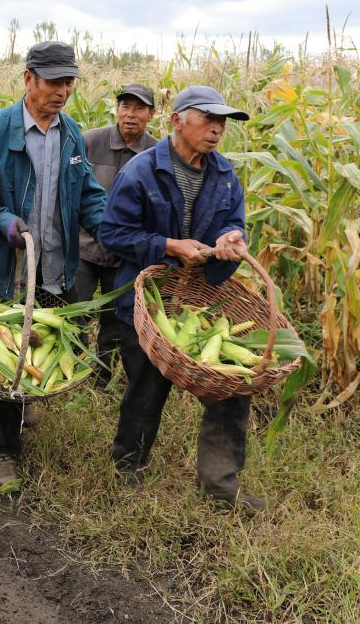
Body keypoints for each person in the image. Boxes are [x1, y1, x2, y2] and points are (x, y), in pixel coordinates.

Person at [98, 85, 262, 510]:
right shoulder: (141, 171)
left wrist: (232, 240)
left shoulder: (224, 176)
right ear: (176, 121)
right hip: (146, 297)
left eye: (222, 121)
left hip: (198, 300)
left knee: (232, 386)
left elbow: (235, 225)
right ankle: (127, 467)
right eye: (208, 118)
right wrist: (170, 246)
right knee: (147, 387)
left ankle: (221, 486)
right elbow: (113, 234)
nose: (217, 129)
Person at [0, 41, 109, 487]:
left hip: (53, 266)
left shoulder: (71, 134)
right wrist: (4, 220)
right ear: (28, 80)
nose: (62, 91)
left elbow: (87, 196)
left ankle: (24, 405)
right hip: (7, 269)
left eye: (68, 82)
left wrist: (107, 228)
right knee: (7, 359)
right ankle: (3, 452)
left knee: (39, 343)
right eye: (53, 81)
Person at [73, 83, 158, 382]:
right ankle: (70, 370)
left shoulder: (156, 153)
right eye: (125, 106)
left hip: (124, 256)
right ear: (117, 109)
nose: (131, 114)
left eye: (139, 108)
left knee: (114, 318)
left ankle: (102, 375)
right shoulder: (89, 141)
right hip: (84, 247)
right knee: (76, 312)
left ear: (151, 114)